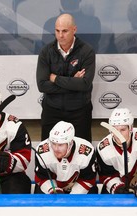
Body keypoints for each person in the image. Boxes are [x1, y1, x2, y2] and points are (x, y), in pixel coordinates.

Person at [36, 13, 95, 143]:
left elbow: (84, 84)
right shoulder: (46, 52)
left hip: (79, 111)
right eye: (57, 31)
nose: (60, 35)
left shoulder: (87, 51)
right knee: (47, 153)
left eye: (65, 31)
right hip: (52, 110)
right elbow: (42, 85)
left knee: (82, 152)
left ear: (74, 30)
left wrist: (55, 78)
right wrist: (72, 82)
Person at [34, 121, 98, 194]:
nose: (56, 149)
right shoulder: (42, 151)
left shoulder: (86, 152)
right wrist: (53, 189)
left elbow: (88, 179)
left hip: (78, 189)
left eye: (60, 145)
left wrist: (72, 198)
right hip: (52, 189)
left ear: (70, 143)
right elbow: (41, 177)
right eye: (53, 144)